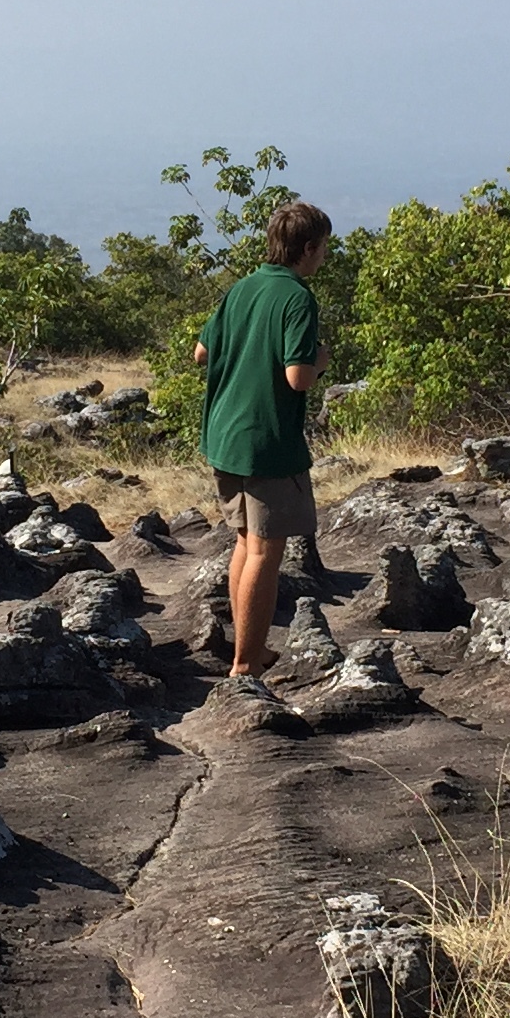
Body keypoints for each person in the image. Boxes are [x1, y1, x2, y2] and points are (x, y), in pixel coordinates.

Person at [194, 199, 333, 679]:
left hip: (223, 436)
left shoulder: (241, 288)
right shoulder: (297, 297)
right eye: (324, 249)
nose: (324, 258)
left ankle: (247, 648)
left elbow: (200, 352)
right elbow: (298, 377)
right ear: (309, 248)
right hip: (266, 442)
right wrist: (321, 361)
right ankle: (246, 662)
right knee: (264, 553)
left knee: (244, 544)